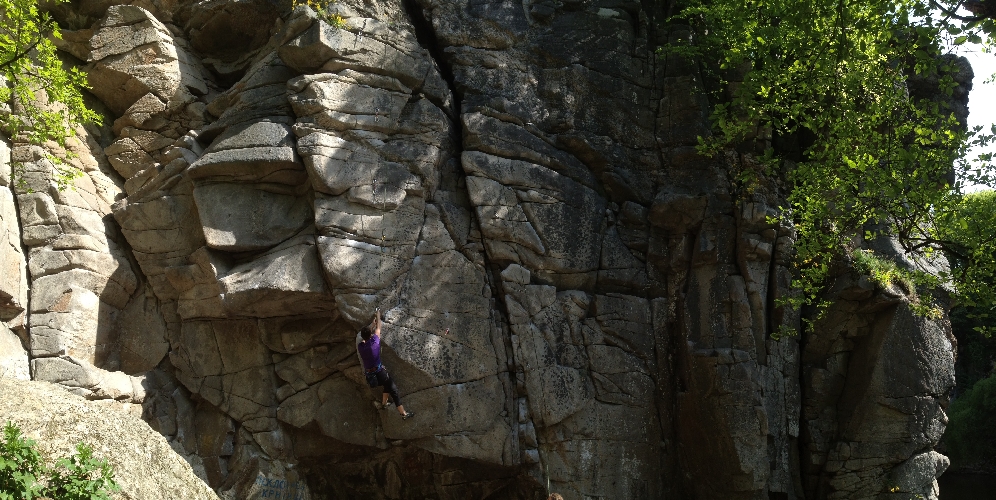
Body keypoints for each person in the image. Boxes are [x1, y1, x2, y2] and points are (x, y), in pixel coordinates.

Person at [357, 308, 414, 420]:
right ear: (370, 334)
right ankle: (403, 414)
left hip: (370, 377)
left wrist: (371, 327)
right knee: (393, 389)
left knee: (387, 385)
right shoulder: (375, 343)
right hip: (379, 373)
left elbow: (365, 337)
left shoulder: (361, 347)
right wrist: (378, 316)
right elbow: (379, 328)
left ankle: (383, 404)